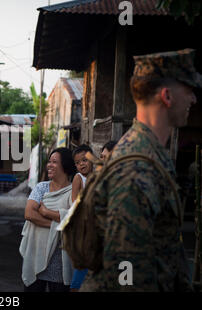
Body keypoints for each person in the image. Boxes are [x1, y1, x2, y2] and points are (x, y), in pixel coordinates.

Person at [80, 49, 200, 291]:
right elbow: (126, 274)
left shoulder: (150, 154)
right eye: (189, 90)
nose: (194, 99)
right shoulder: (136, 167)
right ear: (167, 96)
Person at [19, 148, 76, 292]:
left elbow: (74, 219)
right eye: (49, 162)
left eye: (54, 162)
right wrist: (57, 224)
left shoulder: (73, 192)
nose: (49, 165)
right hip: (36, 257)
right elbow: (29, 213)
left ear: (65, 165)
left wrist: (45, 211)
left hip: (60, 264)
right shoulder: (41, 188)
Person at [69, 144, 94, 291]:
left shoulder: (98, 175)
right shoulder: (78, 178)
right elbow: (74, 202)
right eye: (77, 163)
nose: (81, 165)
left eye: (84, 160)